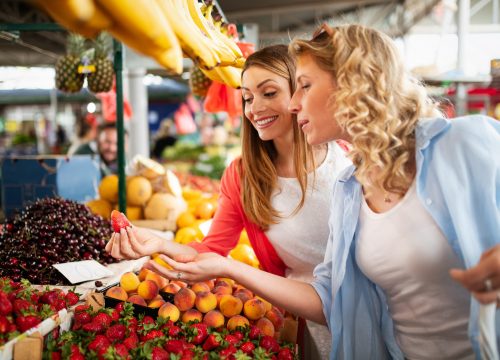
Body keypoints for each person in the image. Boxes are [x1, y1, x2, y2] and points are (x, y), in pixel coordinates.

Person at [147, 24, 500, 360]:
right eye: (249, 97)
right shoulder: (350, 190)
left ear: (351, 84)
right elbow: (330, 297)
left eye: (304, 86)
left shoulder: (465, 143)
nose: (293, 103)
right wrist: (225, 267)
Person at [106, 44, 350, 281]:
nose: (254, 108)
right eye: (247, 97)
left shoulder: (347, 154)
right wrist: (158, 244)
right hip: (308, 315)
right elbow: (212, 250)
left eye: (269, 93)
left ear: (299, 92)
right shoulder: (242, 176)